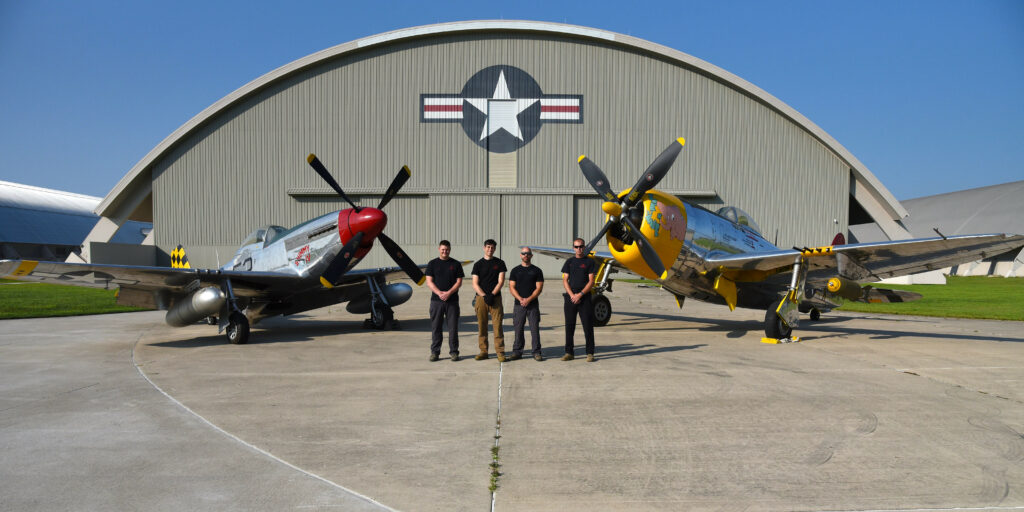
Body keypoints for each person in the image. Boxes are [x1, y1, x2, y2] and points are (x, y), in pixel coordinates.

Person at [425, 240, 463, 361]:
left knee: (453, 328)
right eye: (442, 250)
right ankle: (435, 352)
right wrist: (439, 293)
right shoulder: (432, 264)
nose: (445, 251)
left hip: (452, 302)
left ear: (450, 250)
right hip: (436, 301)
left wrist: (449, 293)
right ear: (439, 249)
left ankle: (454, 352)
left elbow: (459, 282)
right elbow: (429, 281)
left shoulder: (456, 264)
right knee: (436, 327)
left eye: (447, 250)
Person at [561, 238, 597, 362]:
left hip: (584, 297)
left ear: (584, 247)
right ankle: (569, 352)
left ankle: (590, 353)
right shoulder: (569, 262)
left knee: (587, 326)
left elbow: (591, 281)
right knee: (569, 326)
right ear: (573, 248)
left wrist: (580, 294)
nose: (579, 249)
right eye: (576, 247)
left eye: (581, 246)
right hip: (570, 298)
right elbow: (565, 279)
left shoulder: (589, 262)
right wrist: (572, 295)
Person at [471, 239, 507, 361]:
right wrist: (484, 296)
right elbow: (475, 283)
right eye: (488, 247)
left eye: (492, 247)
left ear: (495, 249)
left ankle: (500, 352)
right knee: (482, 326)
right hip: (481, 299)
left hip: (495, 299)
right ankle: (483, 351)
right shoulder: (478, 265)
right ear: (484, 248)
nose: (490, 249)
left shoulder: (500, 263)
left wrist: (492, 294)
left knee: (497, 327)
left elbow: (501, 281)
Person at [508, 246, 544, 361]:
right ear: (520, 255)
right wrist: (520, 299)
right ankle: (517, 351)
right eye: (523, 253)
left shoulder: (537, 271)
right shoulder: (515, 270)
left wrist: (529, 299)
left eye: (528, 253)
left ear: (531, 255)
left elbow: (539, 288)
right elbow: (512, 287)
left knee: (534, 329)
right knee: (518, 329)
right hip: (519, 305)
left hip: (532, 305)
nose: (525, 255)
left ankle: (536, 352)